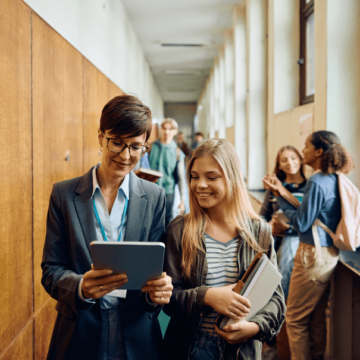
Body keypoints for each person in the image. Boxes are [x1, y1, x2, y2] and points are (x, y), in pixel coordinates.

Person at [41, 95, 173, 360]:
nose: (126, 156)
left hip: (136, 337)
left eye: (136, 147)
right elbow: (51, 271)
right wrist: (80, 287)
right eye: (117, 143)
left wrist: (157, 292)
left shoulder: (155, 197)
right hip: (79, 333)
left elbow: (157, 271)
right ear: (100, 137)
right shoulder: (64, 195)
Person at [163, 138, 286, 360]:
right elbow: (169, 300)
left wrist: (254, 327)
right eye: (194, 176)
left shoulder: (259, 232)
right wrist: (207, 296)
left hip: (241, 351)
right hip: (190, 348)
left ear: (232, 179)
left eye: (212, 177)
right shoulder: (180, 229)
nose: (200, 185)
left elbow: (276, 300)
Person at [263, 131, 353, 360]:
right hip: (329, 253)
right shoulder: (334, 178)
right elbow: (310, 215)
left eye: (306, 147)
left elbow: (302, 222)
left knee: (294, 319)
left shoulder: (316, 180)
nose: (303, 151)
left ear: (319, 152)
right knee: (317, 319)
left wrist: (279, 196)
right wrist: (280, 192)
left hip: (311, 254)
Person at [260, 146, 306, 360]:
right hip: (274, 245)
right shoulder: (272, 189)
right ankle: (271, 341)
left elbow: (308, 219)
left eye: (293, 158)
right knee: (271, 292)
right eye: (284, 160)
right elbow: (262, 219)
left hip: (298, 246)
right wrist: (271, 225)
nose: (289, 163)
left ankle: (282, 344)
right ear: (279, 165)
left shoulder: (310, 186)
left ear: (301, 159)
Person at [149, 118, 186, 227]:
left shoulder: (178, 152)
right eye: (164, 128)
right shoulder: (150, 147)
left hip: (168, 191)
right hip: (150, 189)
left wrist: (182, 200)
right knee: (150, 221)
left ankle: (165, 244)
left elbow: (181, 177)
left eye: (170, 129)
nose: (166, 132)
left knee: (167, 220)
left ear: (175, 131)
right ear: (160, 129)